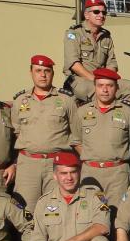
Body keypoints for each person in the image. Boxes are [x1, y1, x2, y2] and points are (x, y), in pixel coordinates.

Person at [10, 55, 81, 209]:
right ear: (31, 73)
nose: (43, 75)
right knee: (25, 209)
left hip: (56, 163)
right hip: (28, 164)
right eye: (38, 71)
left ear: (52, 74)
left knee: (56, 208)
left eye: (47, 71)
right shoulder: (20, 100)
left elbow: (76, 134)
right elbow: (16, 131)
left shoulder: (66, 100)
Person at [76, 67, 130, 208]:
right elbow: (75, 140)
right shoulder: (81, 112)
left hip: (117, 174)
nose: (105, 90)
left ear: (116, 88)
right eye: (101, 85)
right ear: (94, 87)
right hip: (90, 172)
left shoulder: (128, 112)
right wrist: (91, 155)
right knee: (90, 215)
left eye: (109, 86)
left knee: (117, 217)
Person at [63, 0, 130, 103]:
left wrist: (107, 80)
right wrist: (96, 80)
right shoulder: (74, 33)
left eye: (104, 12)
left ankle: (128, 118)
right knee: (102, 91)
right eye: (96, 12)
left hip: (102, 80)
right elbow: (74, 65)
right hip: (79, 80)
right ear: (86, 15)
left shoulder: (106, 37)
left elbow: (111, 64)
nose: (101, 15)